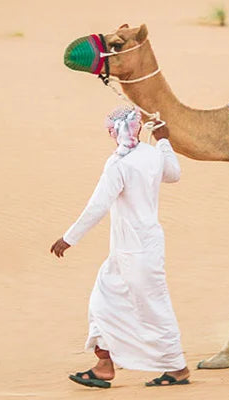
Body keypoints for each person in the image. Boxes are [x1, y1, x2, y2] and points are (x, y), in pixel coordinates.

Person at [50, 107, 190, 389]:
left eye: (110, 130)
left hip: (135, 252)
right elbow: (173, 174)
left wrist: (69, 237)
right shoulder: (150, 154)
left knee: (153, 307)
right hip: (133, 250)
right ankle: (104, 365)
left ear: (116, 132)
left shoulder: (118, 164)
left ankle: (177, 368)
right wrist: (163, 141)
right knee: (102, 301)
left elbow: (98, 206)